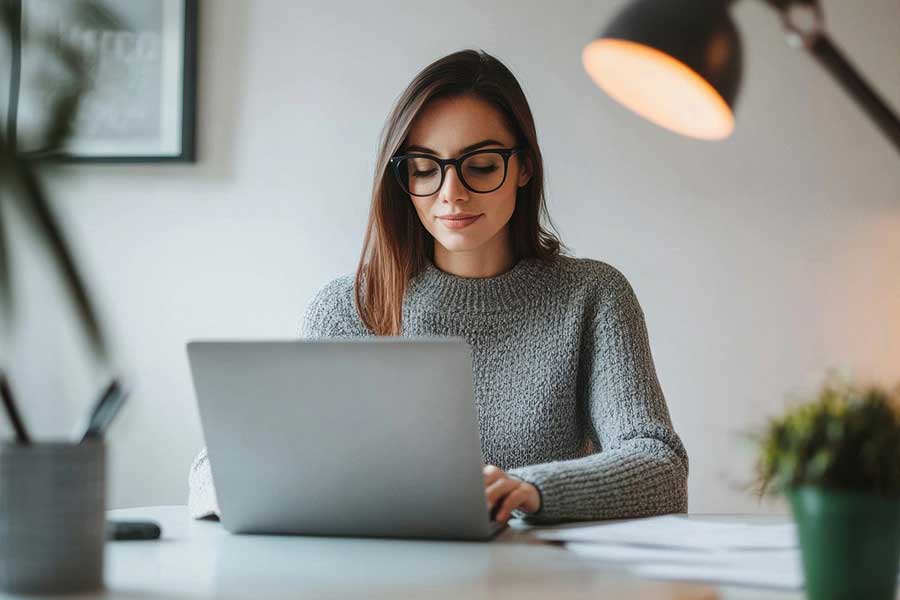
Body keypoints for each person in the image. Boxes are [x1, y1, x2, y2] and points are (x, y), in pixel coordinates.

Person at [188, 48, 688, 525]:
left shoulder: (593, 295)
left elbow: (660, 466)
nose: (452, 194)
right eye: (425, 169)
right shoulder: (348, 308)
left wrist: (528, 490)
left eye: (481, 166)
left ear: (524, 166)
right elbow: (220, 466)